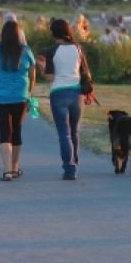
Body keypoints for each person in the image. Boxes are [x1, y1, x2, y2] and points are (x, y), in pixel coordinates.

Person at [0, 20, 36, 181]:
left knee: (5, 131)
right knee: (17, 131)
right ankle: (14, 167)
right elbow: (32, 76)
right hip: (20, 96)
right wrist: (30, 94)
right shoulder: (25, 51)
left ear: (2, 34)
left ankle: (6, 171)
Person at [35, 18, 87, 180]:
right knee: (74, 132)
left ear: (53, 33)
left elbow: (50, 76)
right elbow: (85, 72)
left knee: (64, 134)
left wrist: (41, 67)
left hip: (58, 93)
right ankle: (75, 162)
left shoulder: (52, 50)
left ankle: (69, 169)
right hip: (77, 93)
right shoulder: (78, 48)